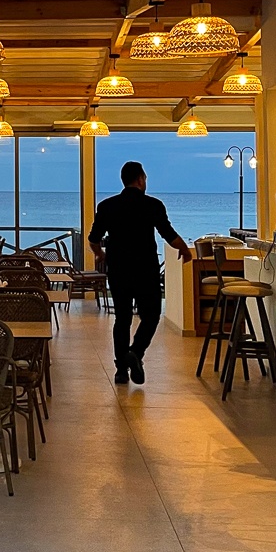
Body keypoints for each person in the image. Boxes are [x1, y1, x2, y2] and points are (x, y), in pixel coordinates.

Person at [88, 160, 191, 385]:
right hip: (146, 270)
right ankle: (135, 353)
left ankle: (121, 371)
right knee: (151, 315)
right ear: (141, 179)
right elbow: (168, 234)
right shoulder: (153, 205)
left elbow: (93, 239)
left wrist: (100, 255)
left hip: (119, 270)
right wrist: (184, 248)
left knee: (122, 319)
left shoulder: (107, 206)